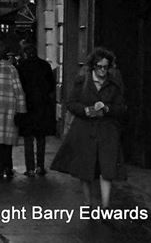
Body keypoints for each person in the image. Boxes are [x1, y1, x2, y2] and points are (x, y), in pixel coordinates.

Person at [51, 47, 126, 208]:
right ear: (93, 66)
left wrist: (107, 108)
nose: (103, 71)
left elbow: (121, 107)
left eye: (106, 67)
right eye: (99, 67)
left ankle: (105, 206)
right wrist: (85, 110)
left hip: (107, 131)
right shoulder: (82, 81)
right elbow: (71, 103)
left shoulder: (114, 83)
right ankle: (88, 203)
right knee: (86, 170)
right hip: (85, 129)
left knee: (107, 169)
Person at [0, 41, 27, 178]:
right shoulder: (12, 69)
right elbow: (18, 90)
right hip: (10, 107)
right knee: (7, 142)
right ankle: (8, 167)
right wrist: (21, 110)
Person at [16, 43, 56, 176]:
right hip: (42, 106)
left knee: (28, 138)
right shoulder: (45, 65)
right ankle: (40, 166)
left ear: (25, 53)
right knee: (41, 138)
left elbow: (19, 86)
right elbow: (51, 86)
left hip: (27, 106)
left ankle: (30, 168)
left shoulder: (21, 67)